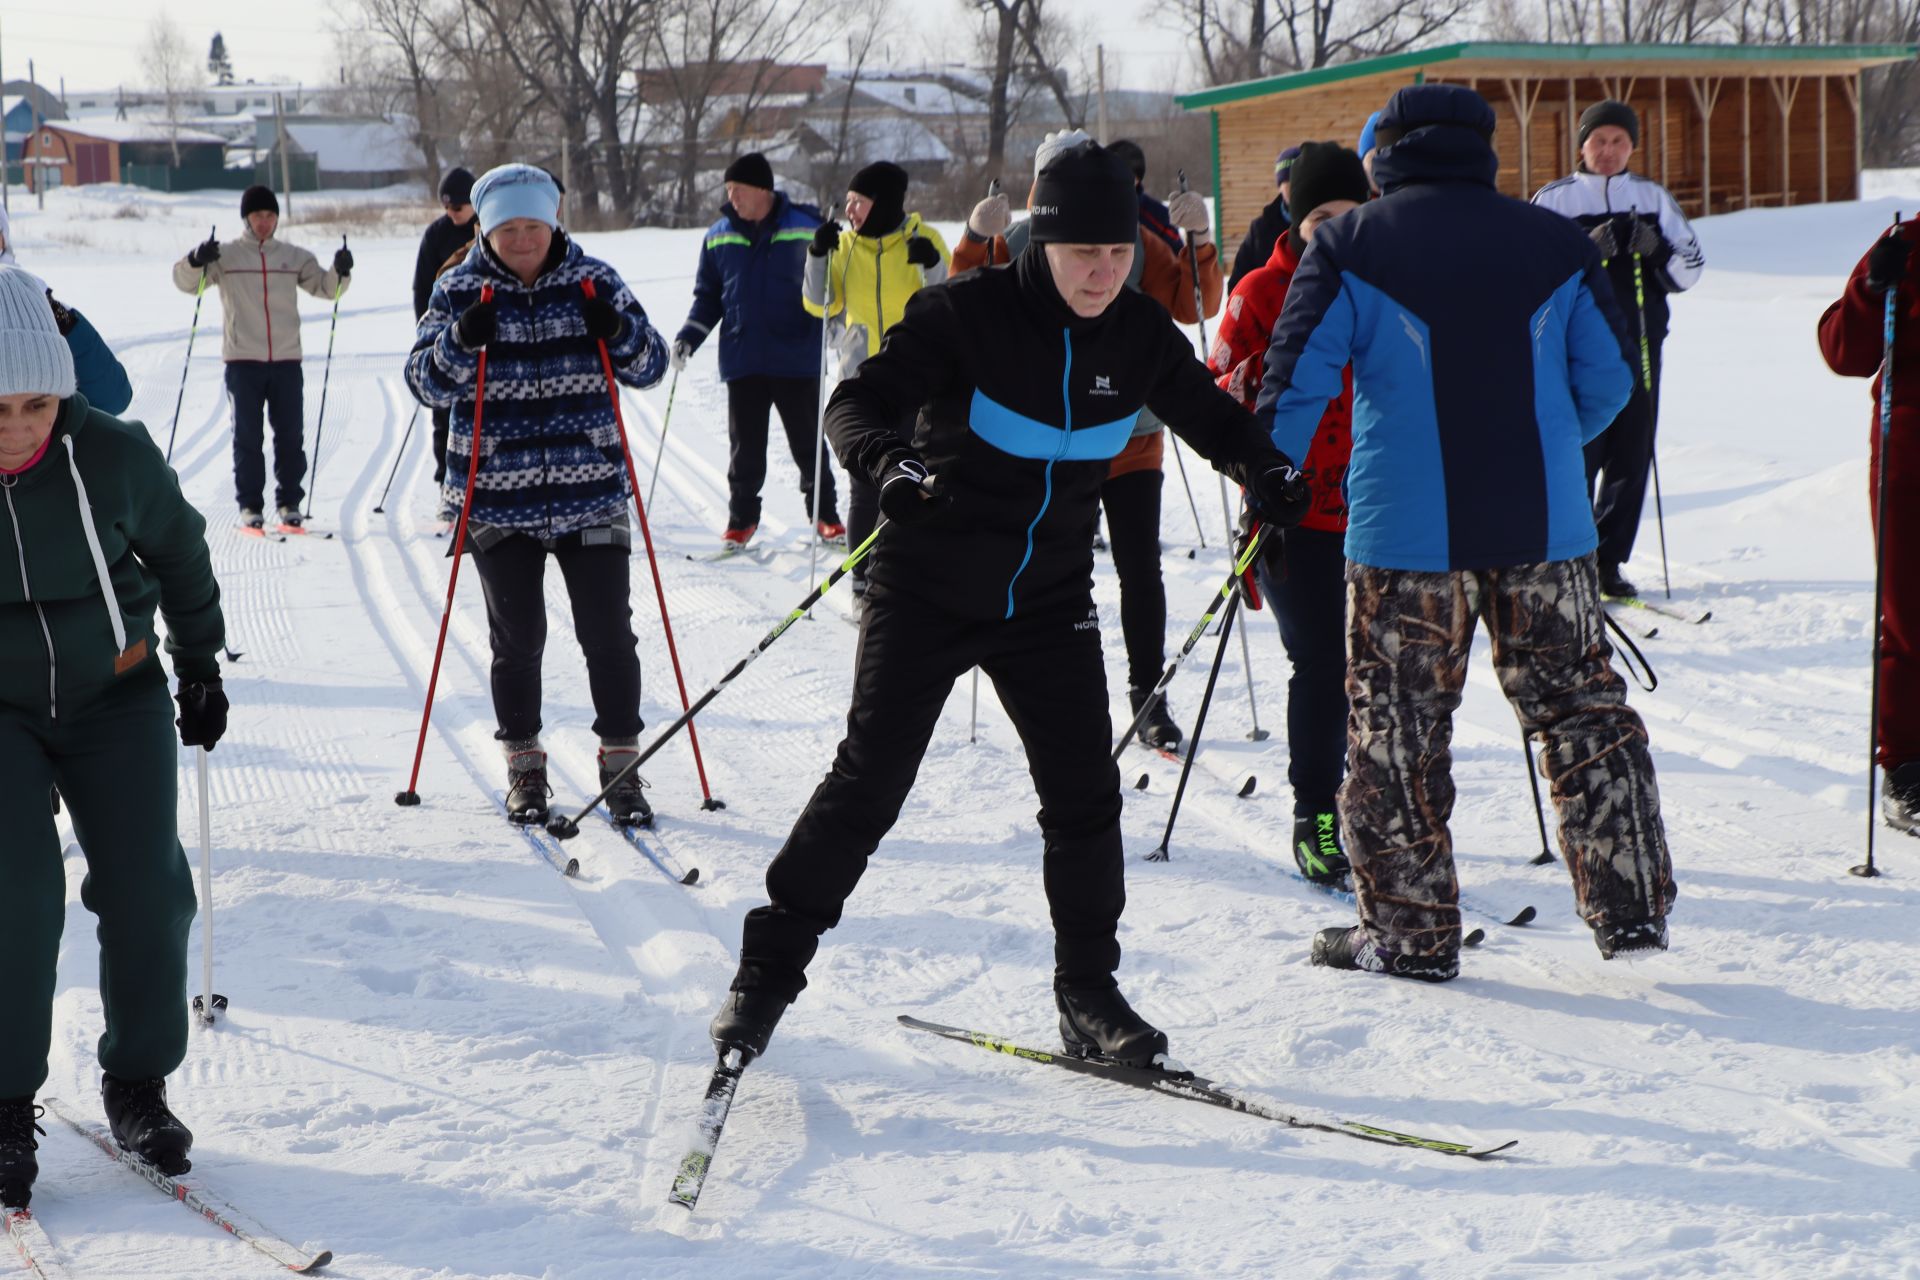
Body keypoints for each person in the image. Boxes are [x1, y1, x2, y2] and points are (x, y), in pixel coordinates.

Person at [707, 140, 1310, 1069]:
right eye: (1084, 256)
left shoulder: (1140, 332)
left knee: (1084, 796)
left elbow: (1212, 414)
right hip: (927, 587)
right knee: (868, 785)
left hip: (1048, 596)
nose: (1103, 273)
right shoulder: (967, 314)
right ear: (1042, 241)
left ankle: (1088, 996)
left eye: (1116, 255)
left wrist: (1264, 467)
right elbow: (854, 404)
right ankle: (763, 980)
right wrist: (886, 462)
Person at [1256, 84, 1674, 980]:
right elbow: (1611, 381)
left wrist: (1275, 495)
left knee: (1397, 727)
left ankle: (1408, 936)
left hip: (1404, 531)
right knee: (1579, 704)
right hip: (1549, 527)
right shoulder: (1553, 237)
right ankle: (1630, 905)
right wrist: (1548, 444)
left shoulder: (1348, 242)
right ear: (1481, 149)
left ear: (1387, 155)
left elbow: (1291, 392)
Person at [0, 264, 228, 1206]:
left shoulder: (115, 453)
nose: (16, 427)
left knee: (145, 889)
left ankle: (139, 1082)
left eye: (34, 404)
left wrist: (201, 660)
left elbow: (179, 549)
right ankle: (6, 1103)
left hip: (116, 692)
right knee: (15, 898)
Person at [406, 164, 669, 826]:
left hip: (593, 492)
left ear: (554, 222)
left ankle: (622, 770)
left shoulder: (595, 280)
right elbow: (424, 385)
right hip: (497, 500)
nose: (523, 239)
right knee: (517, 640)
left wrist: (619, 330)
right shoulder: (458, 289)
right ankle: (525, 767)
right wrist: (461, 342)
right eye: (508, 228)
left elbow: (652, 364)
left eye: (534, 225)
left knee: (610, 635)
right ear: (488, 230)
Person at [953, 133, 1223, 750]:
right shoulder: (1020, 240)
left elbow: (1193, 302)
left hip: (1131, 435)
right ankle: (1050, 692)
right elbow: (960, 300)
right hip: (1046, 439)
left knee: (1138, 567)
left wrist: (1200, 239)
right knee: (1050, 570)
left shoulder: (1133, 238)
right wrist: (974, 237)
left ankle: (1147, 693)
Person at [1209, 141, 1369, 890]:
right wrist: (1237, 386)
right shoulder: (1260, 291)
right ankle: (1317, 813)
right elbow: (1210, 390)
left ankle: (1380, 799)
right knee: (1323, 663)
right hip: (1292, 512)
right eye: (1321, 218)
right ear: (1297, 219)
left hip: (1377, 507)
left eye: (1349, 214)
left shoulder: (1386, 280)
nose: (1334, 229)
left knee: (1382, 666)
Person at [1532, 100, 1705, 599]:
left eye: (1619, 142)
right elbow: (1532, 272)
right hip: (1576, 350)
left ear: (1633, 146)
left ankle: (1608, 559)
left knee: (1632, 452)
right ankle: (1569, 555)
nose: (1608, 152)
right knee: (1580, 451)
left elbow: (1690, 266)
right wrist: (1591, 246)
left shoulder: (1652, 197)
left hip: (1642, 342)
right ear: (1581, 145)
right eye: (1598, 141)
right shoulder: (1555, 199)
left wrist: (1655, 249)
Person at [674, 152, 842, 553]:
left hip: (797, 356)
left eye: (739, 190)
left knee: (807, 445)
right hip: (743, 356)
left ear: (763, 190)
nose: (731, 197)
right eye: (728, 190)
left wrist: (836, 320)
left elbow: (833, 283)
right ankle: (741, 521)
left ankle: (826, 515)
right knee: (744, 449)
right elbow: (708, 298)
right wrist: (688, 337)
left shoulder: (806, 226)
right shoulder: (718, 235)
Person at [802, 161, 949, 598]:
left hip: (917, 382)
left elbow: (945, 299)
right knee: (864, 485)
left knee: (911, 478)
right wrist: (816, 256)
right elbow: (819, 305)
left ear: (882, 203)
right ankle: (862, 581)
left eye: (858, 202)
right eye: (847, 201)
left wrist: (935, 264)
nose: (850, 210)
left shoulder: (925, 240)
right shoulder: (843, 247)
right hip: (863, 383)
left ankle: (903, 574)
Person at [1817, 220, 1920, 836]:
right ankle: (1908, 764)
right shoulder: (1906, 244)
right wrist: (1871, 288)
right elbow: (1844, 352)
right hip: (1911, 453)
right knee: (1910, 614)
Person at [172, 185, 352, 533]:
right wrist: (196, 258)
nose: (265, 222)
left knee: (290, 436)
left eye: (270, 216)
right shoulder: (225, 255)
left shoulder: (294, 256)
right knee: (248, 438)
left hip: (286, 360)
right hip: (242, 361)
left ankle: (290, 503)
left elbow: (329, 289)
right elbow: (185, 283)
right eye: (258, 216)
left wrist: (341, 270)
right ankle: (251, 506)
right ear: (246, 218)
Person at [412, 167, 478, 513]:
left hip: (481, 334)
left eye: (458, 208)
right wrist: (427, 335)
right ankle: (446, 487)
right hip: (445, 335)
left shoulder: (488, 230)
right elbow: (422, 286)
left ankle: (477, 485)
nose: (452, 214)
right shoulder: (436, 234)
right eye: (447, 208)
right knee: (443, 416)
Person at [1228, 145, 1298, 292]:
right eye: (1288, 183)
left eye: (1300, 181)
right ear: (1280, 186)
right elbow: (1237, 285)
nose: (1295, 189)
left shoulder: (1322, 224)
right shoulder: (1261, 229)